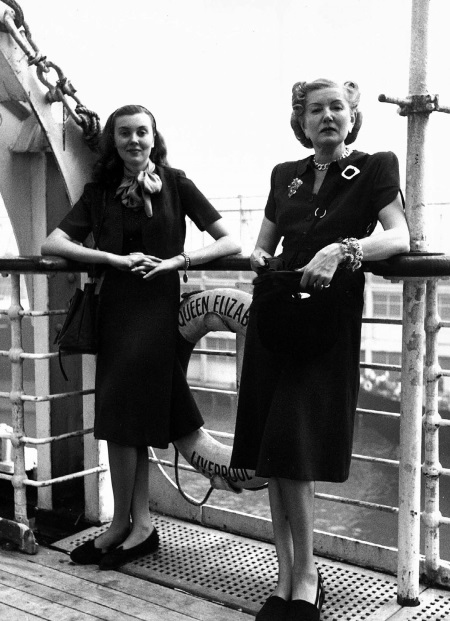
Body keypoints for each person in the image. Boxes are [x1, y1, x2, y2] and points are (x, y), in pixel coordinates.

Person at [230, 79, 410, 621]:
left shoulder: (375, 167)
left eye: (337, 107)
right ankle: (286, 577)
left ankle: (308, 576)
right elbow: (263, 243)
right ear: (301, 121)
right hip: (278, 312)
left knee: (294, 441)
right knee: (272, 445)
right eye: (316, 110)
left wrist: (343, 249)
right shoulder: (283, 175)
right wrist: (259, 257)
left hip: (325, 319)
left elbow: (398, 237)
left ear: (353, 117)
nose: (327, 116)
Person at [41, 104, 241, 571]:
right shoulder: (100, 191)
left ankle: (131, 525)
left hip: (156, 310)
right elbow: (54, 243)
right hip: (116, 309)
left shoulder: (176, 184)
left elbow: (229, 242)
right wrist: (111, 259)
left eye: (142, 132)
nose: (134, 140)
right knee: (118, 417)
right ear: (113, 141)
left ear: (154, 138)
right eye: (124, 133)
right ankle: (133, 524)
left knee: (127, 416)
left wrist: (177, 262)